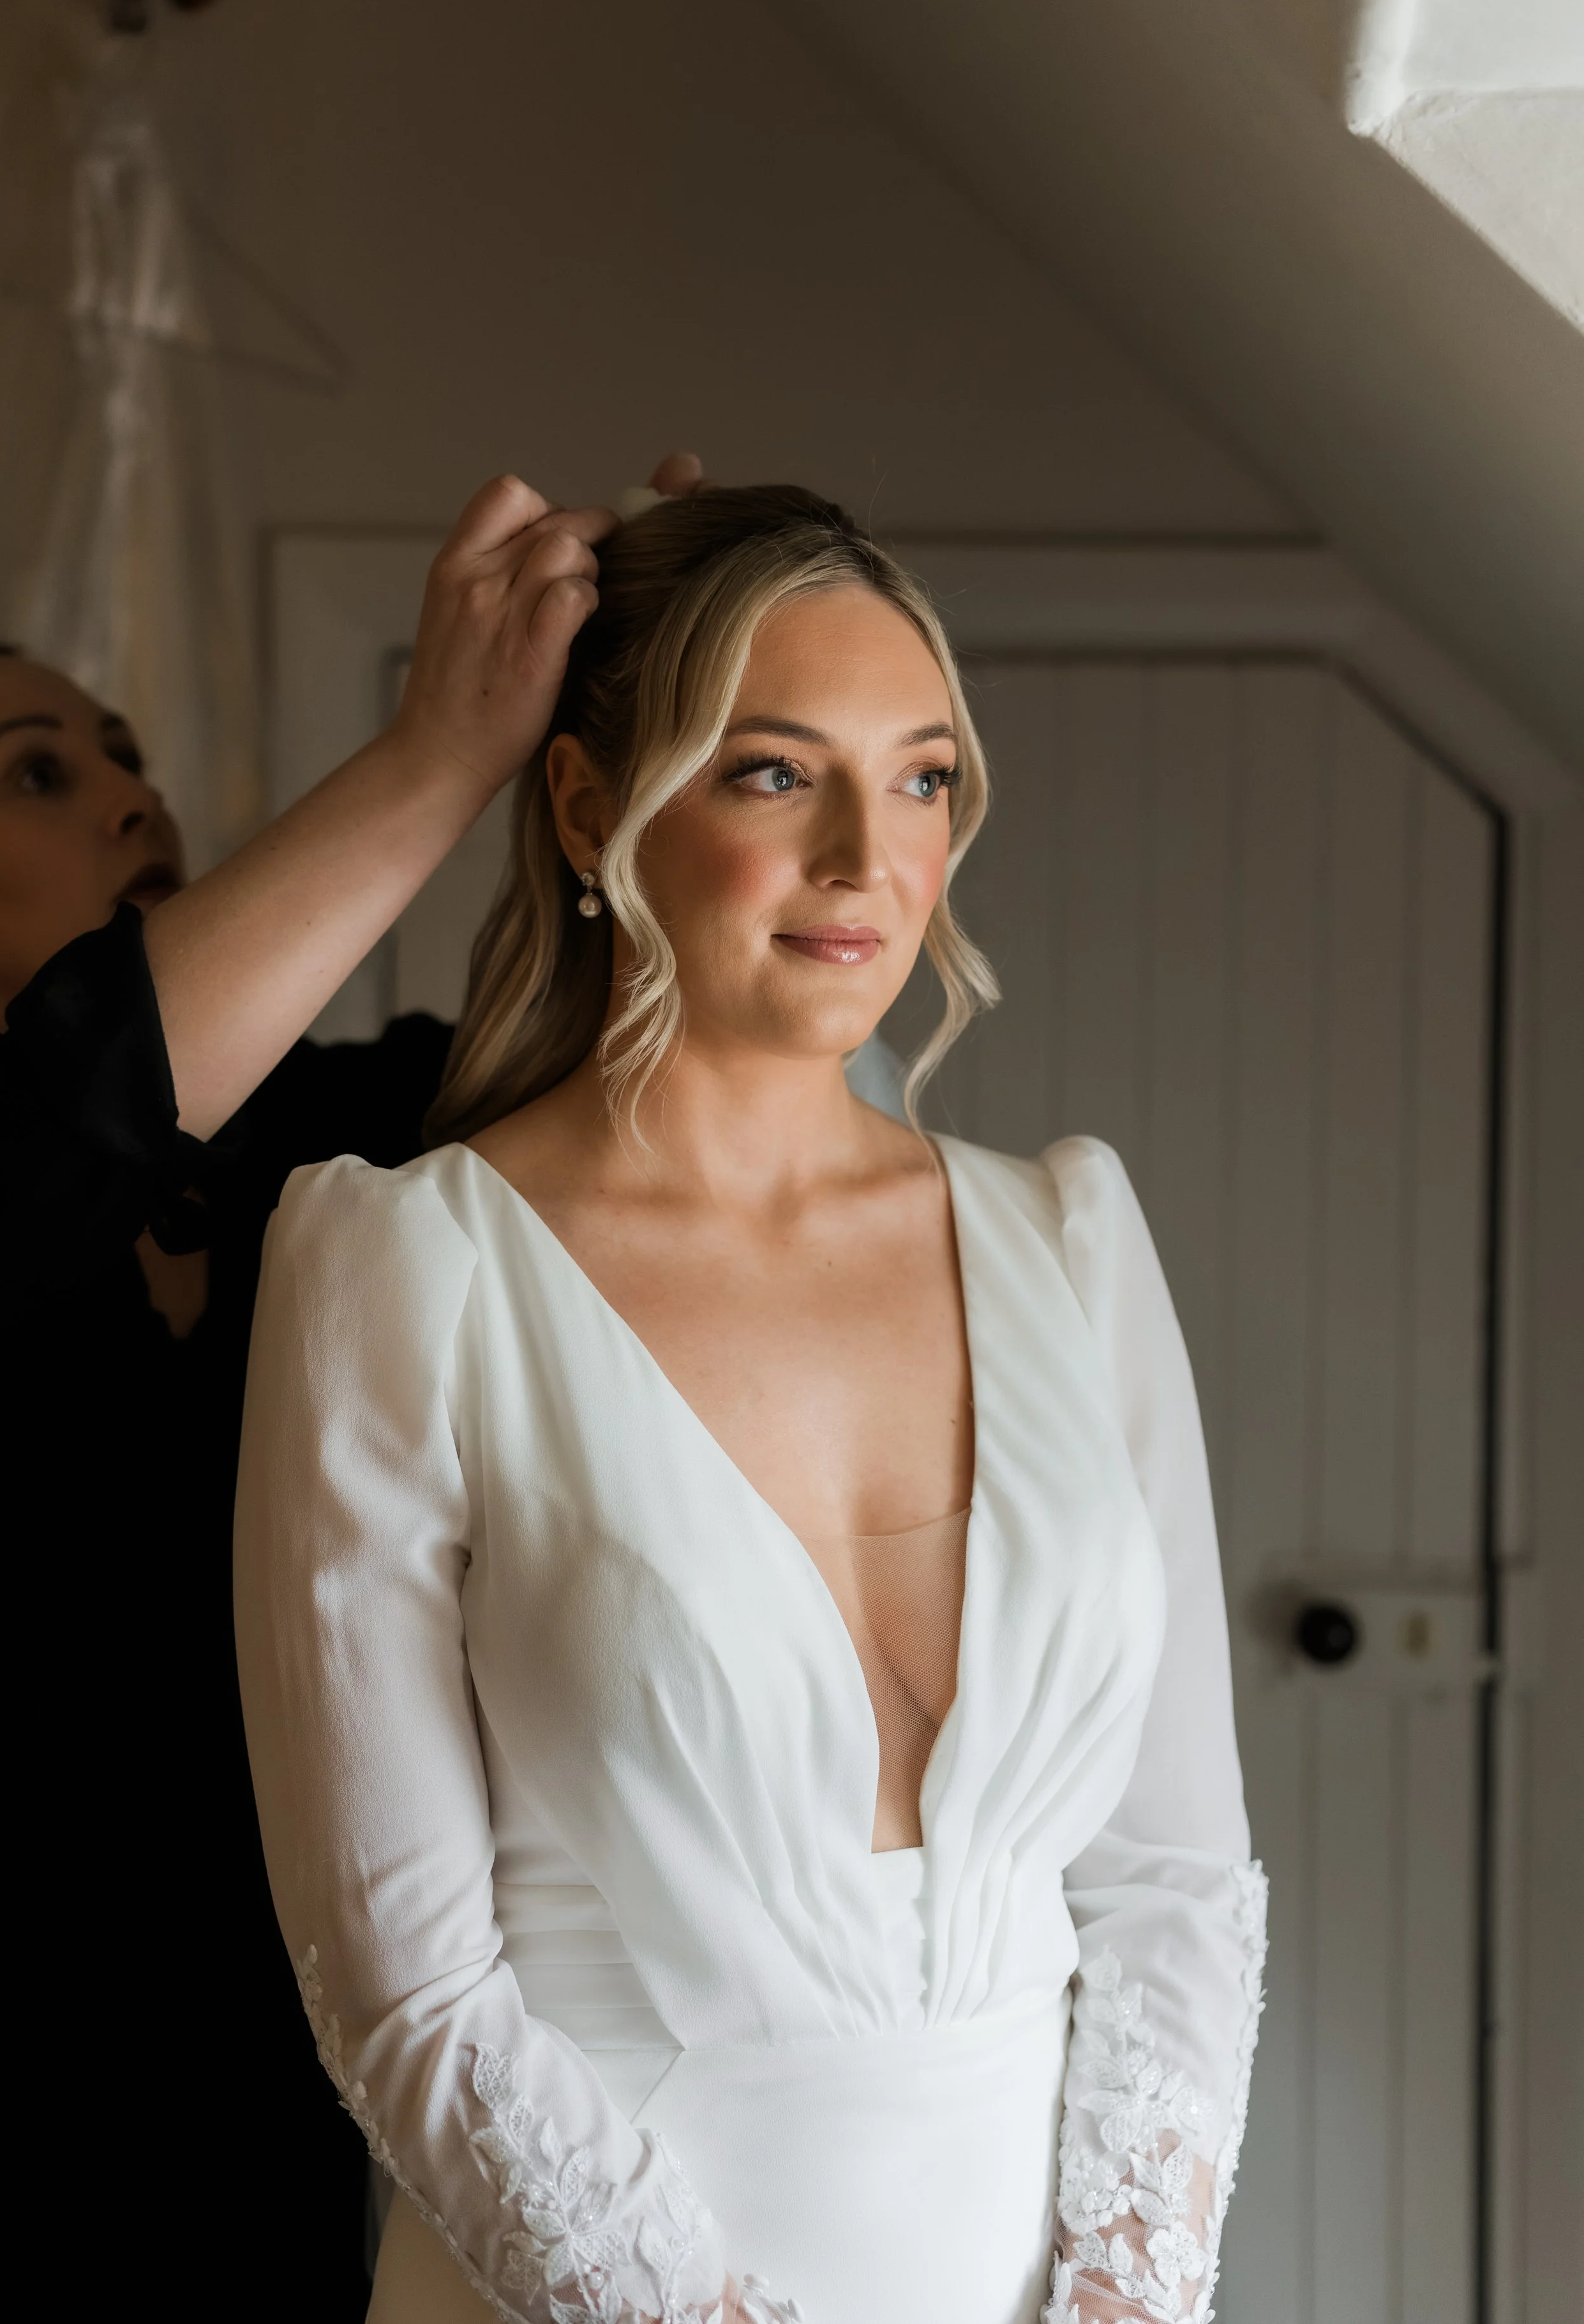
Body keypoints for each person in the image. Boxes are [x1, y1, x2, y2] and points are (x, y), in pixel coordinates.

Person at [234, 485, 1267, 2324]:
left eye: (925, 776)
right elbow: (399, 1986)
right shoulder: (406, 1268)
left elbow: (1176, 1883)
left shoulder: (1071, 1242)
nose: (870, 855)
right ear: (585, 811)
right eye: (775, 775)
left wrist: (1126, 2289)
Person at [0, 458, 701, 2314]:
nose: (132, 788)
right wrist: (434, 756)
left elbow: (641, 1072)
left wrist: (656, 705)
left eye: (122, 745)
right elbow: (78, 1098)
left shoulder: (330, 1146)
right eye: (32, 770)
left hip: (303, 2164)